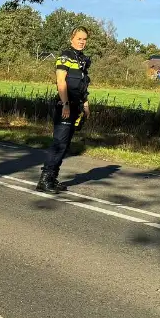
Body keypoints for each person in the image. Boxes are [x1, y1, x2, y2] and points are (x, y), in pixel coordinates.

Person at [38, 27, 92, 194]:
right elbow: (61, 81)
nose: (82, 42)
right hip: (65, 106)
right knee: (59, 143)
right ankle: (45, 179)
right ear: (72, 39)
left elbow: (81, 86)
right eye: (79, 38)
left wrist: (85, 104)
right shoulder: (66, 56)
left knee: (65, 145)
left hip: (76, 105)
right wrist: (65, 104)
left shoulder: (82, 60)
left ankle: (52, 177)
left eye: (84, 39)